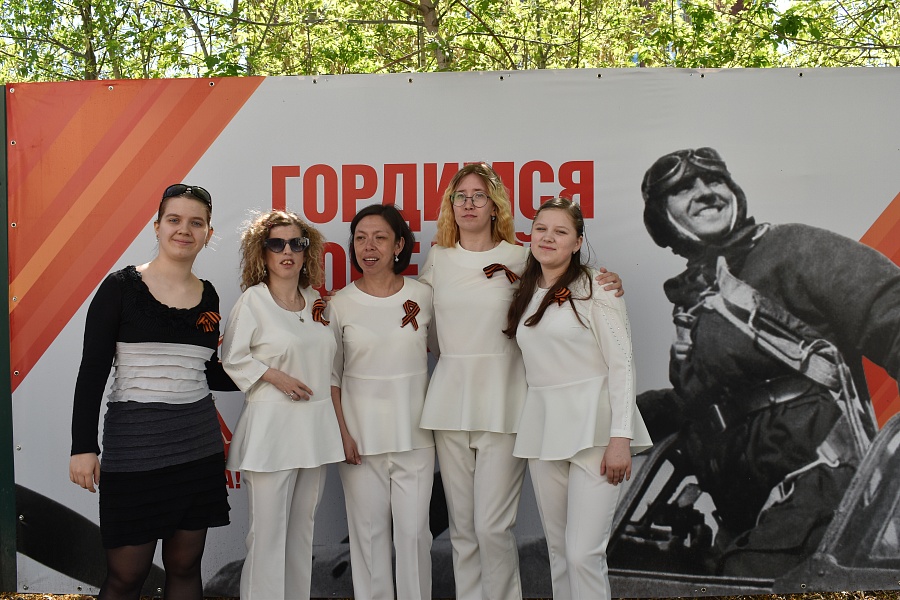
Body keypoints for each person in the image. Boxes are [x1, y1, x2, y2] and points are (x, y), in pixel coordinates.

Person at [637, 147, 900, 577]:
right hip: (748, 511)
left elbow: (889, 310)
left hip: (823, 495)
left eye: (714, 180)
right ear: (662, 217)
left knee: (744, 578)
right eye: (684, 188)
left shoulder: (793, 248)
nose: (705, 192)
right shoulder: (695, 304)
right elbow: (700, 402)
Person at [418, 162, 623, 600]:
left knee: (492, 527)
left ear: (495, 205)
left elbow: (566, 283)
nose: (469, 203)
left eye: (478, 195)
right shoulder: (437, 258)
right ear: (450, 205)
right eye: (460, 196)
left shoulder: (523, 257)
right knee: (462, 529)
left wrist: (607, 281)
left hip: (508, 402)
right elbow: (421, 327)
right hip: (449, 402)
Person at [69, 184, 234, 600]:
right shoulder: (119, 287)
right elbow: (92, 371)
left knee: (185, 567)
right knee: (127, 577)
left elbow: (204, 371)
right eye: (174, 220)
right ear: (157, 226)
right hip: (134, 450)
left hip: (197, 449)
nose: (184, 230)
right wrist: (83, 447)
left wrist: (270, 372)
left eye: (196, 223)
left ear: (209, 233)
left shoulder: (209, 295)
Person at [504, 197, 652, 599]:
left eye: (560, 231)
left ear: (578, 242)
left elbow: (622, 365)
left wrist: (621, 438)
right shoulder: (525, 287)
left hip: (596, 430)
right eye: (541, 229)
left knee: (583, 553)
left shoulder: (598, 287)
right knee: (558, 551)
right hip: (544, 429)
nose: (548, 238)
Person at [221, 210, 344, 600]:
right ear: (263, 253)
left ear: (307, 251)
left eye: (296, 243)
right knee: (268, 536)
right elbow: (231, 358)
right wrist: (276, 376)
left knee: (301, 533)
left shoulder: (318, 303)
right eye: (277, 244)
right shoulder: (253, 301)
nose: (287, 251)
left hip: (314, 431)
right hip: (271, 433)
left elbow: (333, 366)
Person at [328, 203, 436, 600]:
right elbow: (332, 377)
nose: (368, 247)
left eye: (379, 238)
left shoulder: (423, 295)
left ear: (399, 245)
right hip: (360, 441)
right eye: (360, 238)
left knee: (414, 536)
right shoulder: (339, 304)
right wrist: (343, 434)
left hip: (416, 437)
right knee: (369, 539)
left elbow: (449, 352)